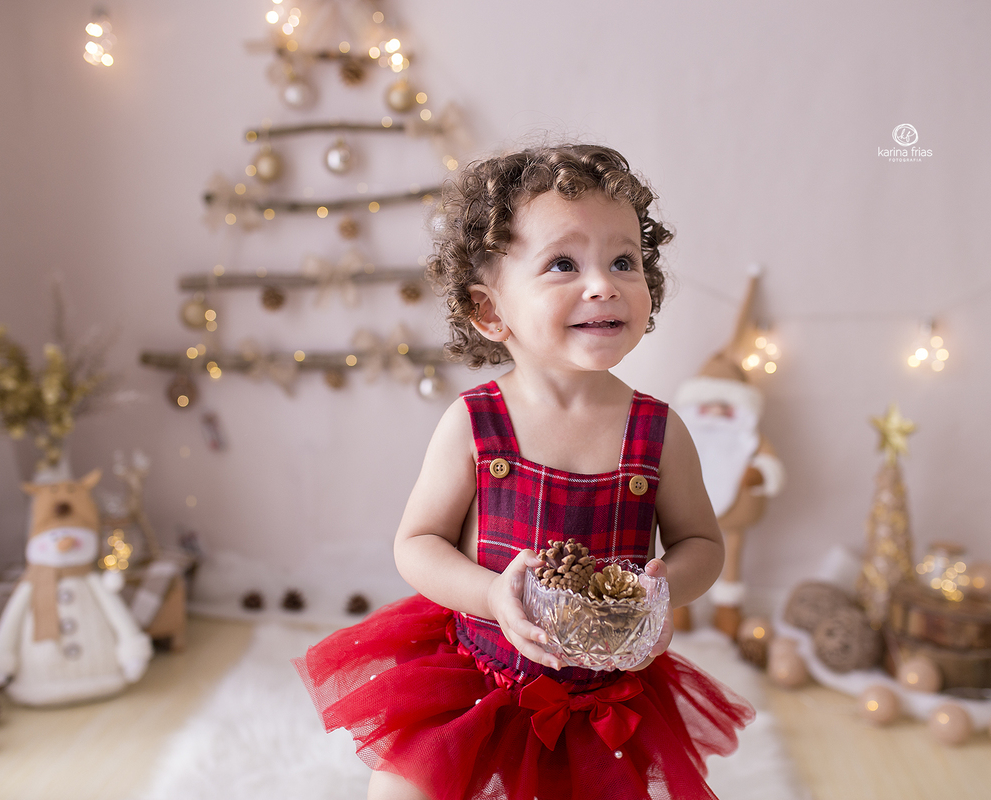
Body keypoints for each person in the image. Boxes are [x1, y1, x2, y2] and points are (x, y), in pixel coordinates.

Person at [295, 144, 753, 800]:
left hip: (601, 697)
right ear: (491, 311)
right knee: (402, 792)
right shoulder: (476, 424)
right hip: (478, 675)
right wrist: (489, 598)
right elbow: (416, 544)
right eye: (564, 263)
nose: (603, 283)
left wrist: (662, 591)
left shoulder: (657, 432)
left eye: (623, 260)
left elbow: (702, 546)